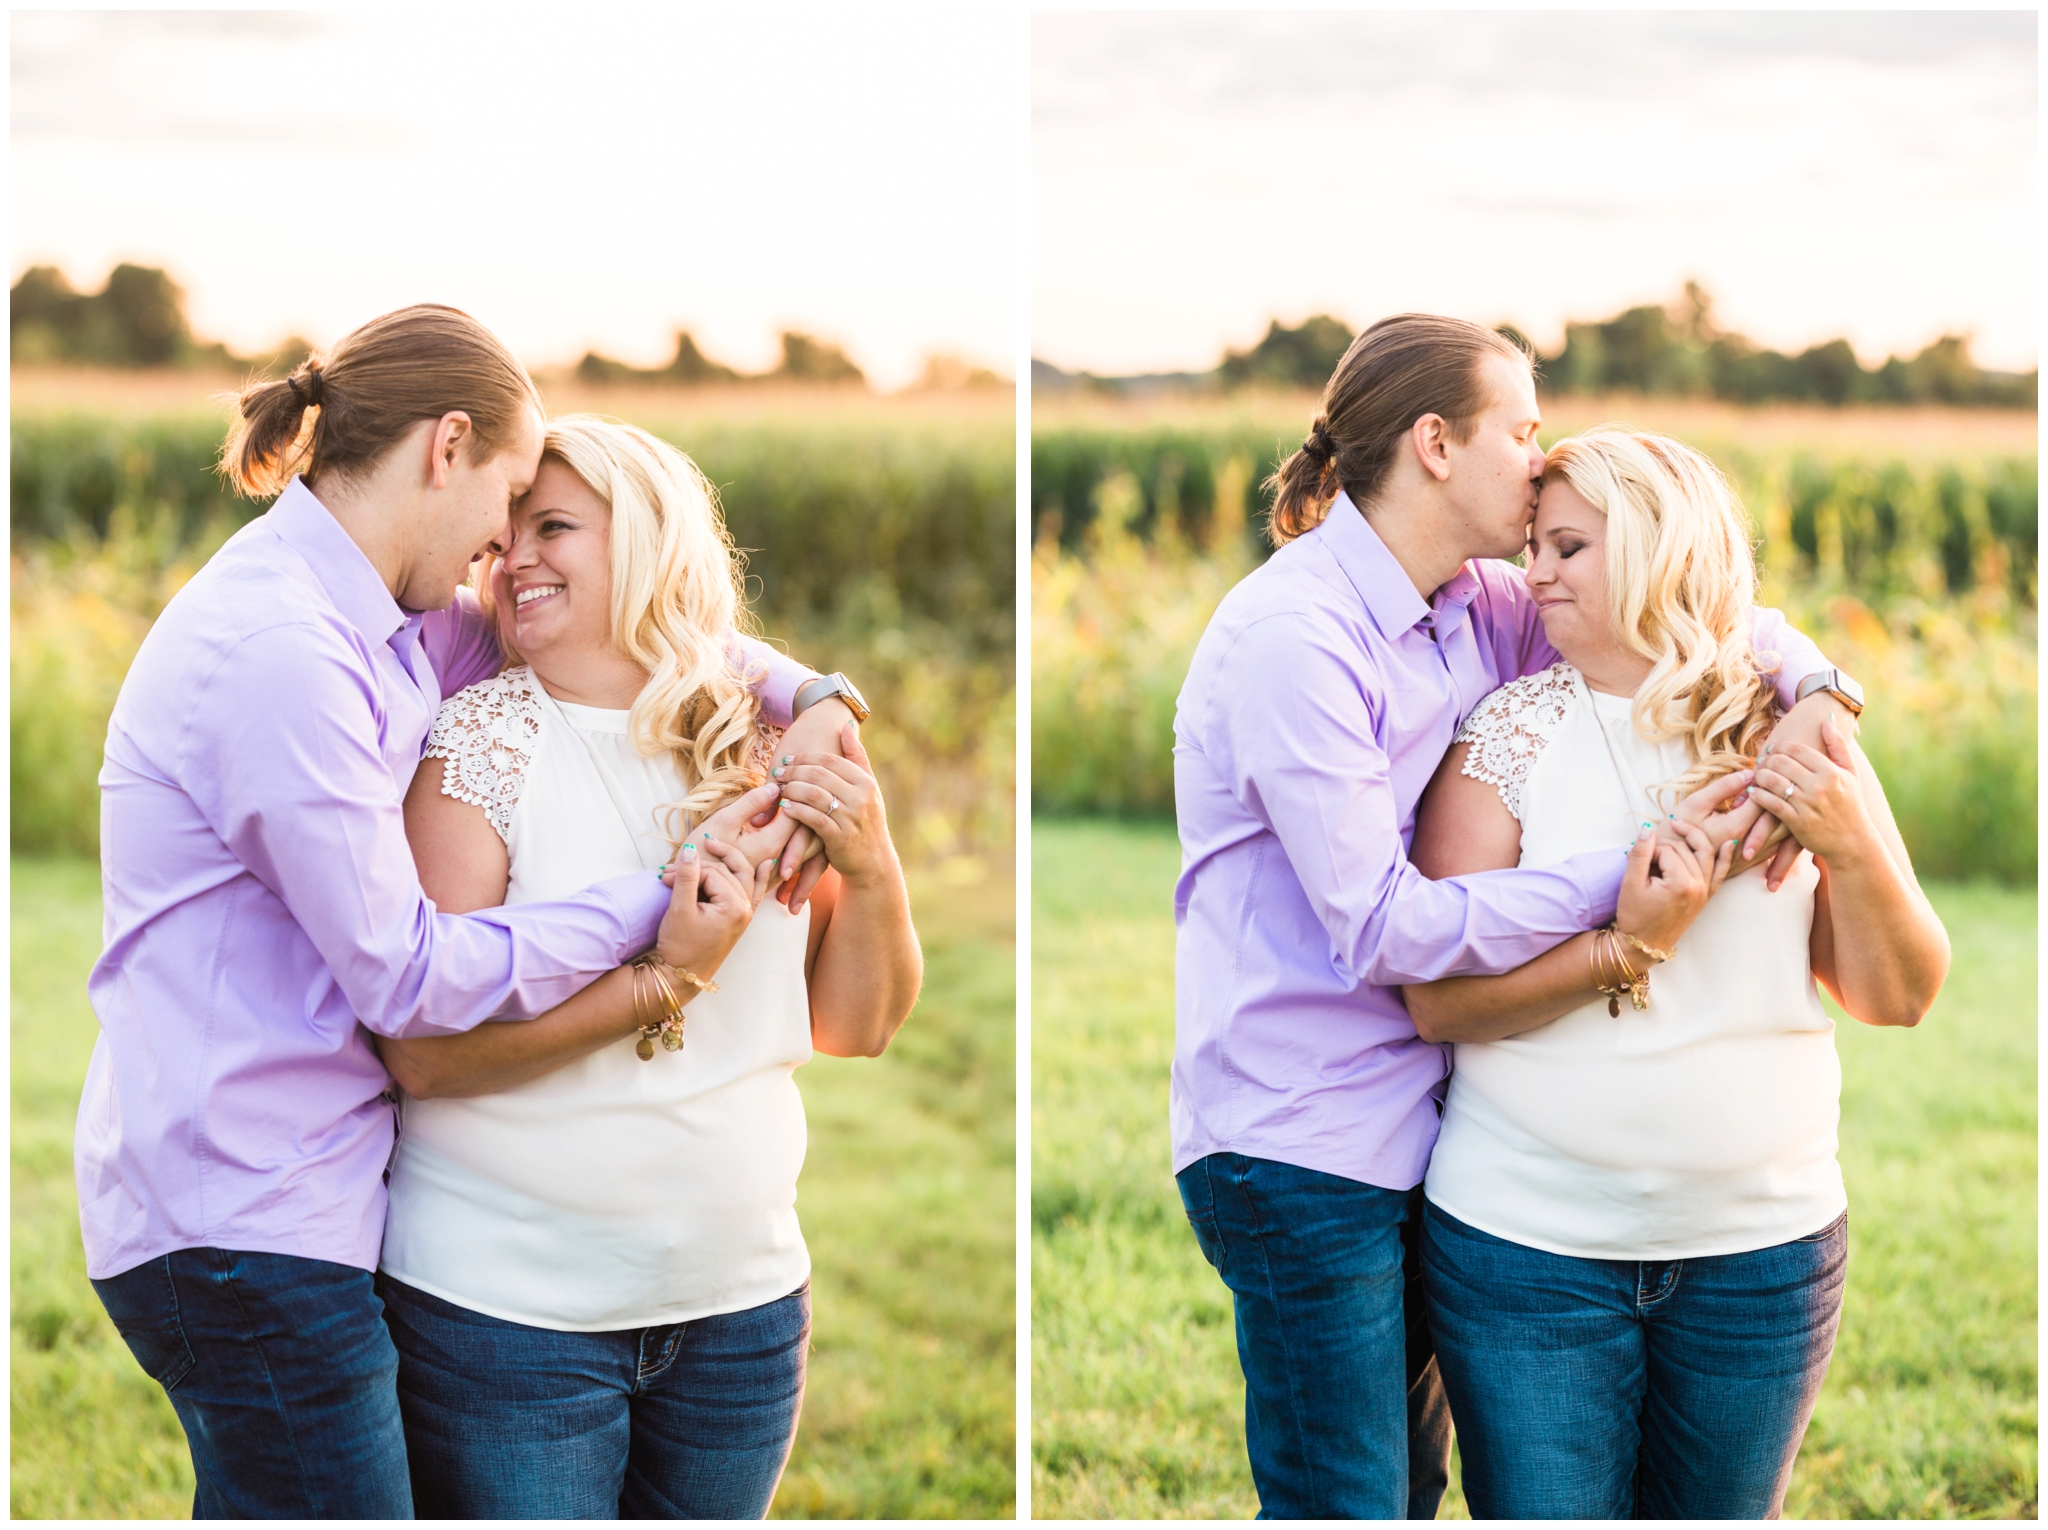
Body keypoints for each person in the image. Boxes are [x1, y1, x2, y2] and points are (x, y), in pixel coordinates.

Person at [76, 306, 858, 1519]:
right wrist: (658, 910)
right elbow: (406, 980)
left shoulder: (381, 618)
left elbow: (647, 626)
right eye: (506, 504)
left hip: (302, 1195)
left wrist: (813, 690)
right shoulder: (285, 651)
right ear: (447, 446)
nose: (502, 553)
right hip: (239, 1209)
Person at [1168, 313, 1860, 1518]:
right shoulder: (1296, 639)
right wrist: (1636, 874)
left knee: (1409, 1480)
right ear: (1435, 444)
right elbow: (1384, 928)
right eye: (1521, 430)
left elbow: (1680, 603)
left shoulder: (1474, 598)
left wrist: (1815, 685)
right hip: (1300, 1136)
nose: (1540, 461)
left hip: (1412, 1121)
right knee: (1348, 1497)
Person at [368, 414, 921, 1518]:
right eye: (504, 537)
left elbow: (854, 1025)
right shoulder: (476, 748)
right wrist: (663, 982)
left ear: (650, 542)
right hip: (505, 1319)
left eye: (555, 526)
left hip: (741, 1311)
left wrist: (871, 863)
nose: (513, 558)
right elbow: (421, 1057)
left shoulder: (763, 745)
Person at [1404, 427, 1948, 1520]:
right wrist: (1629, 943)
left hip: (1760, 1255)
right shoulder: (1500, 739)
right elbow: (1436, 1001)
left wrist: (1845, 839)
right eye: (1533, 546)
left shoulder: (1796, 734)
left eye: (1568, 546)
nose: (1534, 573)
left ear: (1656, 545)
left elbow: (1896, 995)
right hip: (1527, 1255)